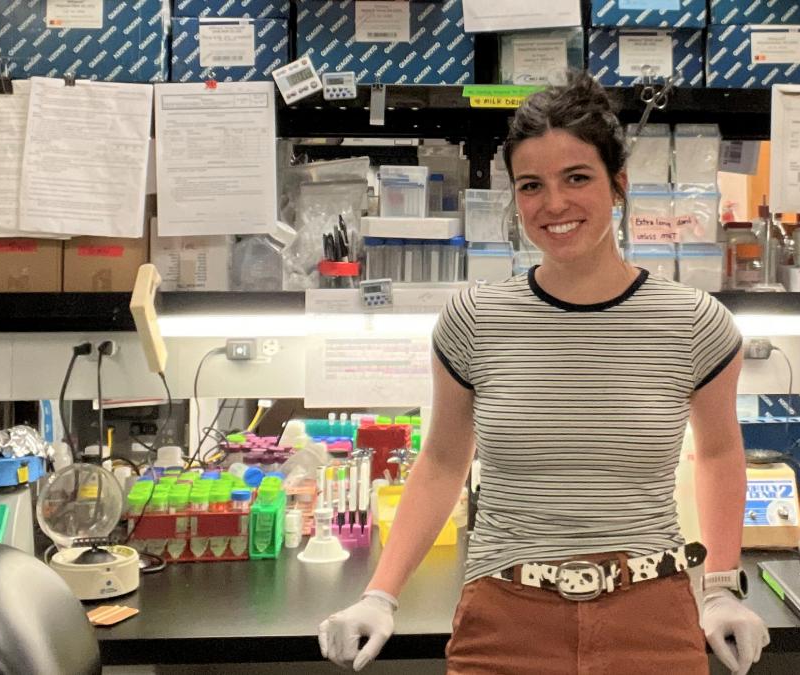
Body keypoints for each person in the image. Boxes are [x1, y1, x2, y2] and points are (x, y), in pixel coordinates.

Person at [318, 71, 769, 674]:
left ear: (618, 186)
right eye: (531, 186)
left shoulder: (695, 323)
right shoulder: (474, 318)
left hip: (651, 617)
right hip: (504, 618)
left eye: (576, 178)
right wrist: (381, 595)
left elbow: (717, 454)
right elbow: (444, 461)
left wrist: (719, 588)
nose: (553, 204)